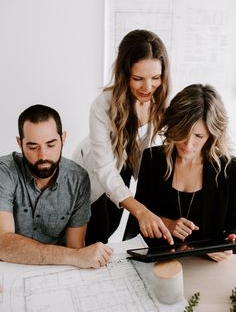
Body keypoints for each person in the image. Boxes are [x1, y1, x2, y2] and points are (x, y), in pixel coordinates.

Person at [73, 29, 173, 245]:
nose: (148, 88)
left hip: (125, 166)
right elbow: (105, 169)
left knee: (112, 229)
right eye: (138, 78)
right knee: (94, 237)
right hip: (94, 173)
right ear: (124, 73)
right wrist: (140, 211)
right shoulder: (103, 105)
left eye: (155, 77)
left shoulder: (162, 99)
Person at [125, 84, 236, 262]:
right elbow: (137, 219)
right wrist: (167, 224)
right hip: (159, 263)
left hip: (206, 266)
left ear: (212, 136)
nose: (187, 144)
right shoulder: (153, 160)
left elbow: (233, 227)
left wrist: (228, 244)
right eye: (182, 132)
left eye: (198, 136)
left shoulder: (229, 169)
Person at [0, 104, 113, 269]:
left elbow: (75, 247)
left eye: (51, 144)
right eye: (33, 147)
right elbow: (3, 243)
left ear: (63, 139)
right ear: (20, 143)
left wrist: (76, 256)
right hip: (10, 269)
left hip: (58, 270)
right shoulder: (4, 172)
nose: (43, 155)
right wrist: (74, 256)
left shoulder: (78, 180)